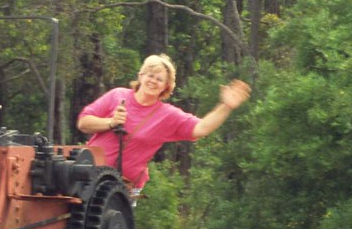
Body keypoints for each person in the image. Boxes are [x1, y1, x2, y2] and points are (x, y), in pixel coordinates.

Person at [77, 53, 251, 193]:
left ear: (166, 87)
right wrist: (111, 122)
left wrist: (226, 106)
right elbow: (83, 123)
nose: (153, 81)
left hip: (121, 188)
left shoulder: (167, 115)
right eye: (150, 75)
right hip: (88, 174)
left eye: (159, 79)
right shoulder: (117, 95)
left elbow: (201, 128)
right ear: (141, 75)